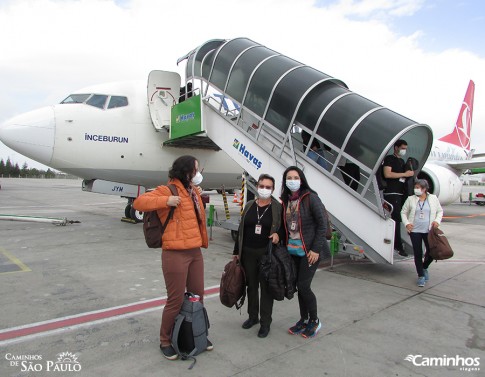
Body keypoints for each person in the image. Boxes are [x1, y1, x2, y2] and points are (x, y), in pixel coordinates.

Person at [133, 155, 212, 360]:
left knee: (198, 297)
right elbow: (139, 203)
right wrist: (166, 201)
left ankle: (197, 333)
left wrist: (196, 195)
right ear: (187, 171)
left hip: (195, 252)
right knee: (175, 301)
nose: (198, 173)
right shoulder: (167, 190)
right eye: (196, 169)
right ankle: (165, 340)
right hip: (175, 253)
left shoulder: (192, 191)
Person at [280, 166, 329, 338]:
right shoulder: (285, 200)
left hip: (309, 252)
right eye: (289, 177)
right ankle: (303, 319)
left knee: (303, 286)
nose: (292, 180)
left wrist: (315, 249)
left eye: (295, 177)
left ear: (301, 180)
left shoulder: (310, 198)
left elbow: (322, 225)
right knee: (299, 287)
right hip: (293, 251)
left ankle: (314, 320)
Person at [233, 174, 282, 338]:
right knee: (251, 286)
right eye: (262, 186)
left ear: (273, 189)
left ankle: (265, 322)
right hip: (247, 252)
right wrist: (236, 253)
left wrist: (278, 235)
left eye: (268, 187)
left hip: (266, 254)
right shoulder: (248, 205)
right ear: (257, 186)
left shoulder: (277, 208)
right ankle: (252, 316)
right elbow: (242, 230)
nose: (264, 189)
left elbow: (283, 229)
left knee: (266, 290)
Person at [401, 179, 443, 287]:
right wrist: (406, 223)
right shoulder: (411, 199)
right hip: (414, 230)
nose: (416, 189)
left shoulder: (433, 198)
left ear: (425, 189)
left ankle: (424, 267)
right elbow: (403, 212)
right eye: (415, 187)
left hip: (428, 230)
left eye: (418, 188)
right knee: (418, 252)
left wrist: (437, 221)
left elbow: (440, 211)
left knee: (432, 251)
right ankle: (420, 275)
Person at [383, 139, 414, 256]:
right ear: (396, 147)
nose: (404, 151)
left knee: (400, 218)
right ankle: (398, 245)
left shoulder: (402, 161)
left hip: (400, 194)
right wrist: (404, 174)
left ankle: (398, 243)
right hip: (392, 193)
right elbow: (387, 174)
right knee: (395, 219)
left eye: (405, 149)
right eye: (402, 148)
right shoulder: (389, 159)